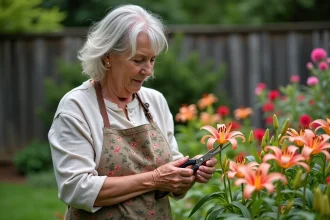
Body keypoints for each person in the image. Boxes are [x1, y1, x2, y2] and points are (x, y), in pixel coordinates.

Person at [48, 4, 217, 219]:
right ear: (107, 56)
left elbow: (172, 185)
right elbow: (76, 189)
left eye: (152, 59)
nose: (148, 70)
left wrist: (186, 175)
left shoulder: (155, 101)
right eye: (138, 60)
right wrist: (155, 178)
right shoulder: (77, 107)